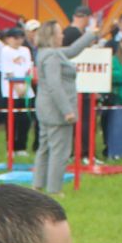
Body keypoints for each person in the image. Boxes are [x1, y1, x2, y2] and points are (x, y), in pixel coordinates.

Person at [31, 21, 97, 192]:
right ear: (52, 36)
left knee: (44, 148)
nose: (63, 36)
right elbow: (55, 85)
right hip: (56, 110)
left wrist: (91, 34)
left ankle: (38, 185)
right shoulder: (53, 56)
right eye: (60, 33)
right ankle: (54, 189)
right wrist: (67, 110)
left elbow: (73, 50)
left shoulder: (49, 53)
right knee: (59, 152)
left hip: (45, 108)